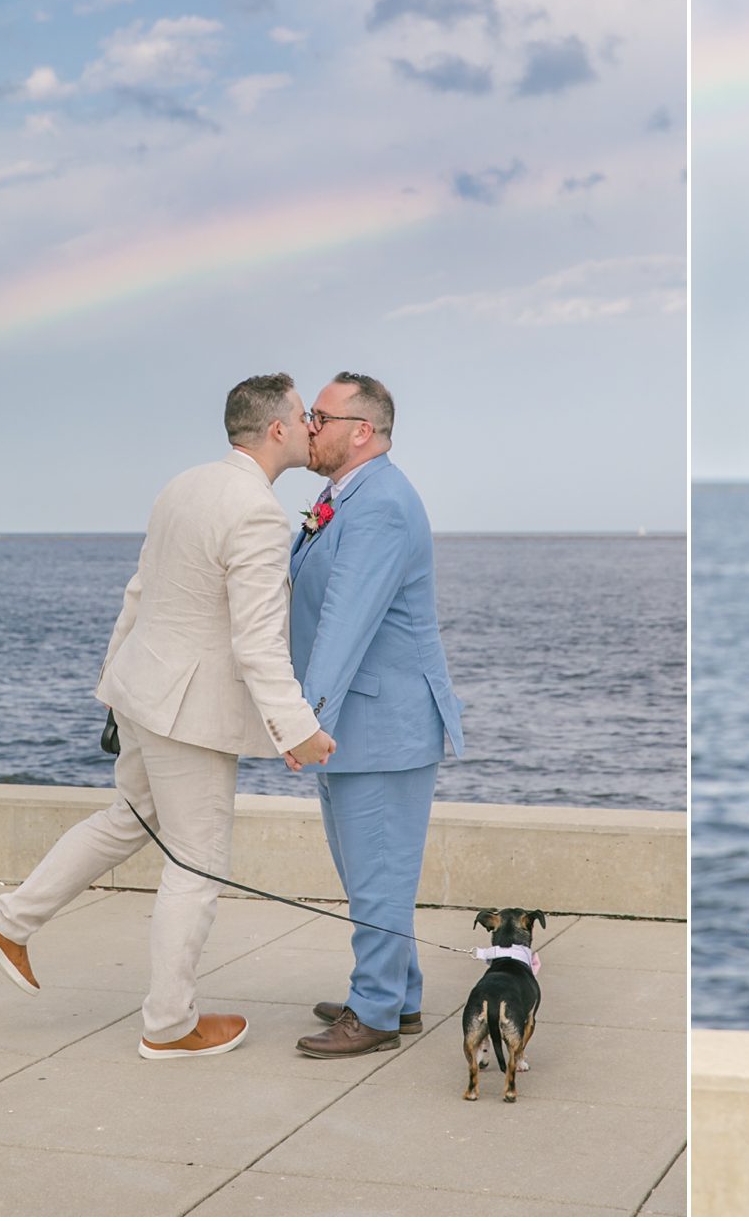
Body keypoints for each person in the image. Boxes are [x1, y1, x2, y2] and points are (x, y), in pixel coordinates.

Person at [0, 373, 336, 1059]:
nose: (312, 426)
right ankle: (169, 1025)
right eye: (303, 415)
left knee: (128, 818)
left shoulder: (183, 485)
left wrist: (112, 682)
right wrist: (300, 730)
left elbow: (138, 592)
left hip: (142, 688)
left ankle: (10, 922)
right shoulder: (257, 513)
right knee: (197, 863)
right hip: (187, 713)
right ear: (277, 428)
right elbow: (257, 641)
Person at [289, 372, 465, 1059]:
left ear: (362, 431)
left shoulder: (382, 504)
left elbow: (345, 621)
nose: (309, 427)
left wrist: (306, 719)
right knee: (371, 877)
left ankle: (375, 1012)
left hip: (382, 724)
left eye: (320, 416)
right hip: (359, 723)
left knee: (378, 877)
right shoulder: (345, 497)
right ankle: (399, 994)